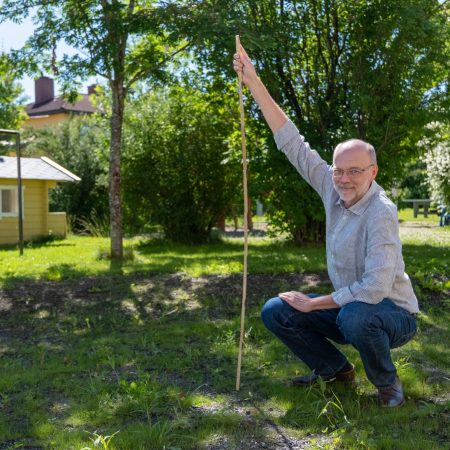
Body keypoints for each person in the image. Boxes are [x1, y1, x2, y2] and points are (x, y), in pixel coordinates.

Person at [233, 46, 419, 407]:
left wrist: (314, 303)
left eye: (355, 171)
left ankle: (387, 383)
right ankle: (336, 370)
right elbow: (293, 144)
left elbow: (374, 288)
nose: (344, 178)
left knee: (354, 316)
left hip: (392, 313)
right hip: (354, 308)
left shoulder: (381, 211)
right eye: (338, 169)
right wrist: (253, 82)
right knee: (276, 310)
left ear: (373, 172)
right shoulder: (332, 187)